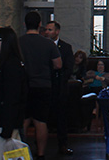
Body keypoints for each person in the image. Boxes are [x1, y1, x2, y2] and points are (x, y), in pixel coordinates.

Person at [19, 11, 62, 160]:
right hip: (43, 85)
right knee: (40, 121)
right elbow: (58, 64)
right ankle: (41, 153)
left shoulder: (19, 42)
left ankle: (21, 151)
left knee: (23, 120)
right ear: (39, 25)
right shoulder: (47, 43)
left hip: (23, 85)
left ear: (25, 24)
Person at [0, 27, 28, 160]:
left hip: (4, 120)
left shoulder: (11, 65)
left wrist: (7, 127)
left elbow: (12, 96)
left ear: (5, 41)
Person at [45, 21, 75, 155]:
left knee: (62, 117)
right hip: (45, 85)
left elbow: (69, 67)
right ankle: (41, 144)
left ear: (57, 32)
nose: (47, 32)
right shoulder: (43, 46)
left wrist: (61, 78)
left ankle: (63, 144)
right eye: (46, 30)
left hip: (60, 86)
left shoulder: (66, 47)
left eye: (50, 30)